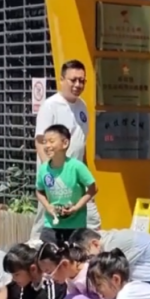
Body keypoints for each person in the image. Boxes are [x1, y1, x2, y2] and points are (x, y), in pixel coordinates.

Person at [32, 59, 100, 239]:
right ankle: (35, 252)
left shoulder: (82, 105)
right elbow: (40, 141)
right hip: (55, 180)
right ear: (62, 80)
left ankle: (87, 254)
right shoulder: (50, 105)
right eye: (73, 80)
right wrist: (50, 174)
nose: (78, 84)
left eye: (82, 80)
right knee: (47, 221)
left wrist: (85, 172)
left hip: (76, 178)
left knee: (91, 221)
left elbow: (80, 143)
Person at [70, 228, 150, 299]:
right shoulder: (106, 242)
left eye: (88, 257)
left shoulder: (113, 245)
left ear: (95, 244)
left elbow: (114, 288)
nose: (89, 262)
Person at [35, 124, 98, 245]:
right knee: (48, 254)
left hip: (76, 225)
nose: (47, 146)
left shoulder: (77, 166)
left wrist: (76, 207)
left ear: (65, 143)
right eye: (44, 142)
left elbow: (93, 188)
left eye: (51, 141)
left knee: (74, 255)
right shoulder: (43, 169)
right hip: (51, 225)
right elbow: (39, 191)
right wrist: (48, 207)